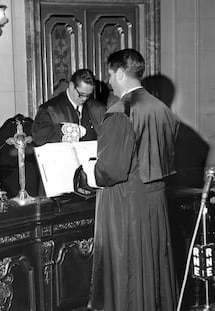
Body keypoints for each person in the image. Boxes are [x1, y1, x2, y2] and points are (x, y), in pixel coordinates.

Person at [84, 49, 178, 310]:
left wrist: (87, 171)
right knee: (153, 267)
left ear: (121, 73)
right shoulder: (161, 108)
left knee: (127, 273)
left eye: (111, 74)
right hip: (155, 201)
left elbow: (110, 170)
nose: (109, 81)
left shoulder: (121, 110)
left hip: (124, 205)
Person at [31, 69, 106, 146]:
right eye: (81, 94)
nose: (84, 99)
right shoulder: (49, 109)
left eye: (88, 95)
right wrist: (64, 130)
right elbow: (38, 137)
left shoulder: (98, 108)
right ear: (71, 86)